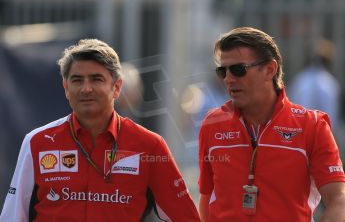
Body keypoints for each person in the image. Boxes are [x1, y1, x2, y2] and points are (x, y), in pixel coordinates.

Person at [0, 39, 200, 222]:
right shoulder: (36, 142)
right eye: (77, 80)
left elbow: (186, 217)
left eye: (96, 79)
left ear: (117, 87)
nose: (86, 89)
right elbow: (12, 217)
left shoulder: (150, 146)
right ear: (65, 88)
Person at [198, 27, 345, 221]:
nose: (228, 79)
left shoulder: (313, 126)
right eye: (222, 71)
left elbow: (338, 201)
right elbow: (206, 199)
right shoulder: (212, 124)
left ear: (270, 69)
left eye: (238, 69)